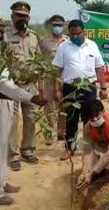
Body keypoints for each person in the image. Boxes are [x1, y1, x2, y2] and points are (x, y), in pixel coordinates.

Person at [0, 15, 47, 205]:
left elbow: (9, 78)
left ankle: (1, 182)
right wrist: (31, 97)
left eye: (1, 30)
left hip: (3, 102)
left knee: (2, 146)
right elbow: (1, 83)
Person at [52, 19, 108, 160]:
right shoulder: (63, 47)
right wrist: (57, 90)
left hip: (88, 87)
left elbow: (99, 67)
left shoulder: (93, 46)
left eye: (78, 34)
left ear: (84, 32)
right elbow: (57, 69)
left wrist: (104, 87)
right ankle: (69, 148)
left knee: (90, 119)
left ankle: (90, 148)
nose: (75, 37)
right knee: (71, 119)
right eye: (72, 34)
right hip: (70, 88)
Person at [3, 1, 41, 171]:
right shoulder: (4, 35)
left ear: (29, 17)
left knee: (31, 119)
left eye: (24, 15)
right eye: (18, 15)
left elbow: (39, 59)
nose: (22, 18)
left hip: (30, 86)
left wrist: (38, 77)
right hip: (12, 86)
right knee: (12, 121)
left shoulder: (33, 35)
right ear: (12, 16)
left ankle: (28, 150)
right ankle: (13, 156)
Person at [77, 100, 109, 209]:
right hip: (102, 149)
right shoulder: (88, 127)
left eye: (97, 115)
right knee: (80, 142)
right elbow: (87, 150)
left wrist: (94, 171)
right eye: (91, 118)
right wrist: (85, 172)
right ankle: (97, 172)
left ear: (103, 111)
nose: (95, 119)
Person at [39, 14, 68, 144]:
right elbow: (39, 61)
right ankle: (49, 133)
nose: (57, 27)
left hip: (64, 78)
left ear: (64, 26)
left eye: (60, 25)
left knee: (63, 106)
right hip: (48, 77)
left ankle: (62, 132)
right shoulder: (43, 41)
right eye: (55, 25)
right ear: (50, 25)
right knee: (48, 106)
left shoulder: (68, 41)